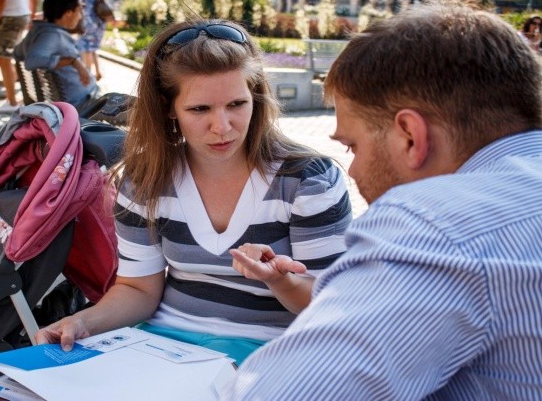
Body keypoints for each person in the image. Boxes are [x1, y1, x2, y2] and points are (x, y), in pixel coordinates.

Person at [225, 1, 542, 400]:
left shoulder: (435, 223)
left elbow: (280, 393)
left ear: (410, 136)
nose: (351, 171)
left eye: (353, 145)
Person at [35, 19, 352, 365]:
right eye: (200, 109)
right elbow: (138, 289)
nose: (222, 127)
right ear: (168, 107)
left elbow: (329, 307)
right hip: (161, 348)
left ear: (255, 96)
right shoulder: (145, 180)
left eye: (236, 104)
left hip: (269, 354)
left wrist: (281, 281)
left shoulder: (308, 180)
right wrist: (82, 322)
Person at [14, 0, 98, 109]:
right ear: (68, 13)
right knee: (123, 106)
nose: (81, 16)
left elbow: (17, 53)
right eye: (79, 11)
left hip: (70, 99)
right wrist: (72, 61)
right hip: (80, 104)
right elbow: (32, 61)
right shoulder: (52, 35)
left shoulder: (38, 30)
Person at [0, 0, 35, 114]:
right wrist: (32, 14)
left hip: (10, 17)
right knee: (3, 59)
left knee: (3, 59)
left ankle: (12, 101)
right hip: (20, 14)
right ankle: (11, 97)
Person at [76, 0, 109, 81]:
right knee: (92, 50)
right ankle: (97, 72)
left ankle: (88, 74)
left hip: (88, 23)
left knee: (86, 49)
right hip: (99, 23)